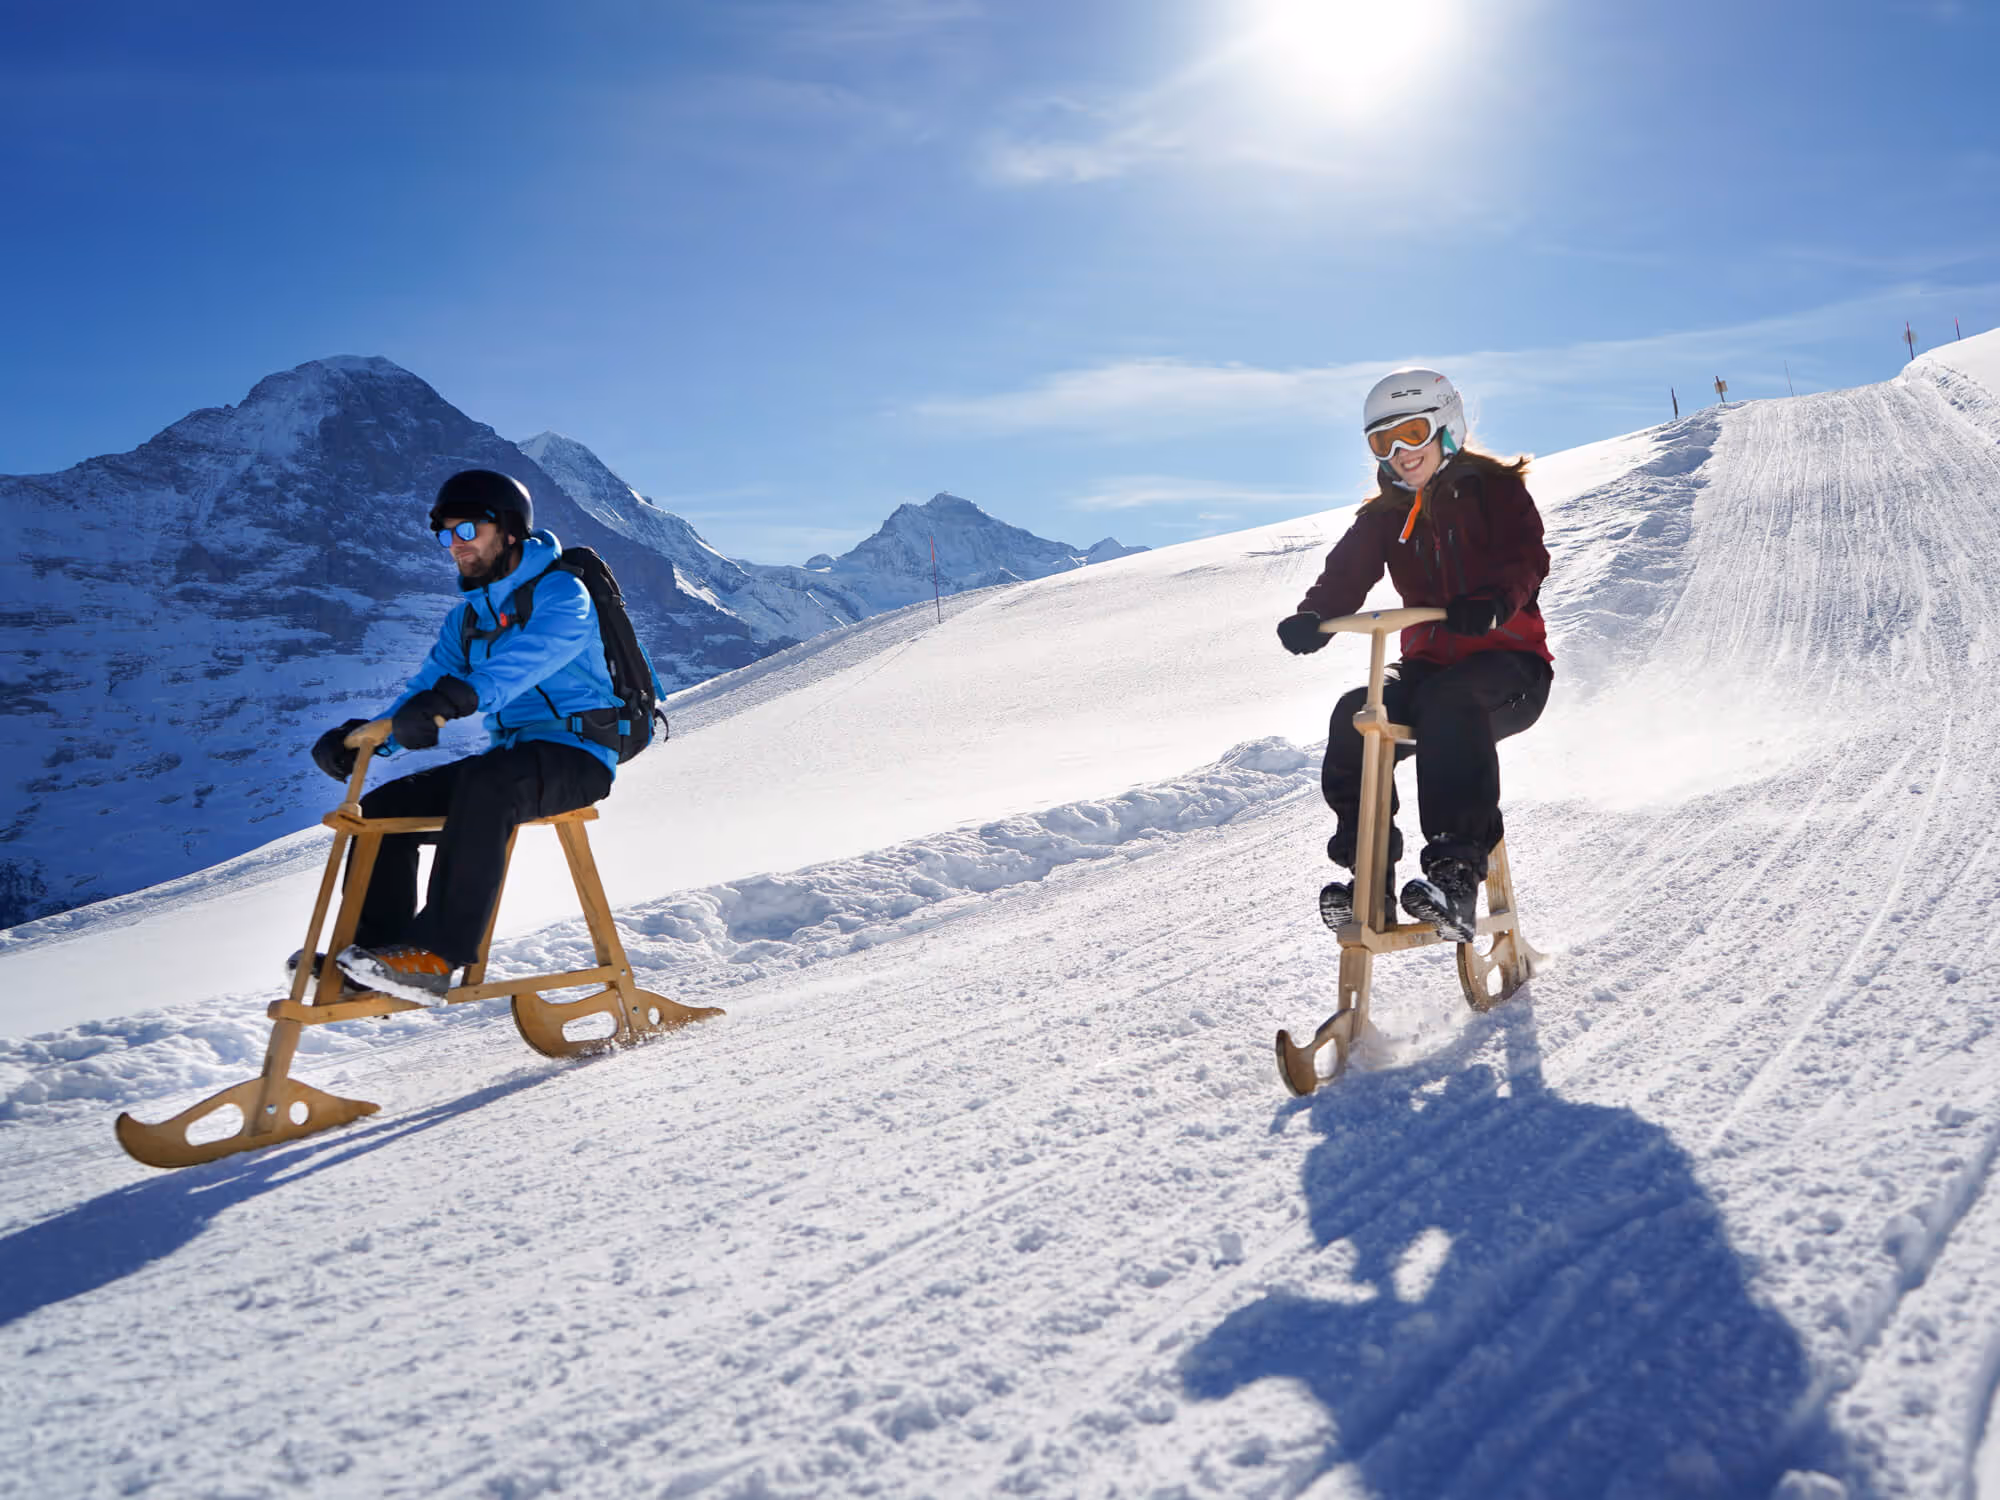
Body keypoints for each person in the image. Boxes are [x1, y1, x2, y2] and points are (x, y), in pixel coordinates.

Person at [304, 469, 655, 1002]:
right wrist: (369, 739)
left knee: (488, 786)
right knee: (383, 808)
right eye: (446, 535)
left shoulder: (563, 592)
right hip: (512, 758)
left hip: (578, 754)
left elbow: (527, 660)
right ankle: (370, 958)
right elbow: (422, 692)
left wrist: (456, 700)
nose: (455, 546)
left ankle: (436, 956)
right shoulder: (466, 620)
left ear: (509, 530)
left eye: (467, 530)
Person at [1277, 369, 1552, 942]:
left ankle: (1455, 874)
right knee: (1357, 713)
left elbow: (1524, 558)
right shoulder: (1383, 515)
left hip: (1510, 667)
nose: (1401, 454)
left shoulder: (1497, 491)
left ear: (1447, 429)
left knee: (1452, 706)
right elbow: (1345, 574)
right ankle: (1368, 878)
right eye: (1383, 442)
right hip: (1429, 668)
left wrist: (1496, 602)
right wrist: (1315, 615)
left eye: (1412, 434)